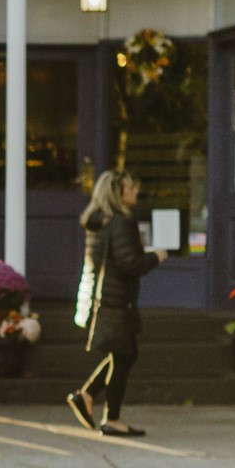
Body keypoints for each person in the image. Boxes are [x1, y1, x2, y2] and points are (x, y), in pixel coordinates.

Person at [68, 170, 166, 437]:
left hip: (104, 297)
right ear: (118, 193)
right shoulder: (120, 222)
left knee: (123, 355)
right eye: (130, 188)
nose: (135, 192)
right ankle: (111, 418)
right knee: (124, 356)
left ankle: (87, 396)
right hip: (116, 299)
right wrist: (154, 258)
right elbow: (127, 263)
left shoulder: (101, 222)